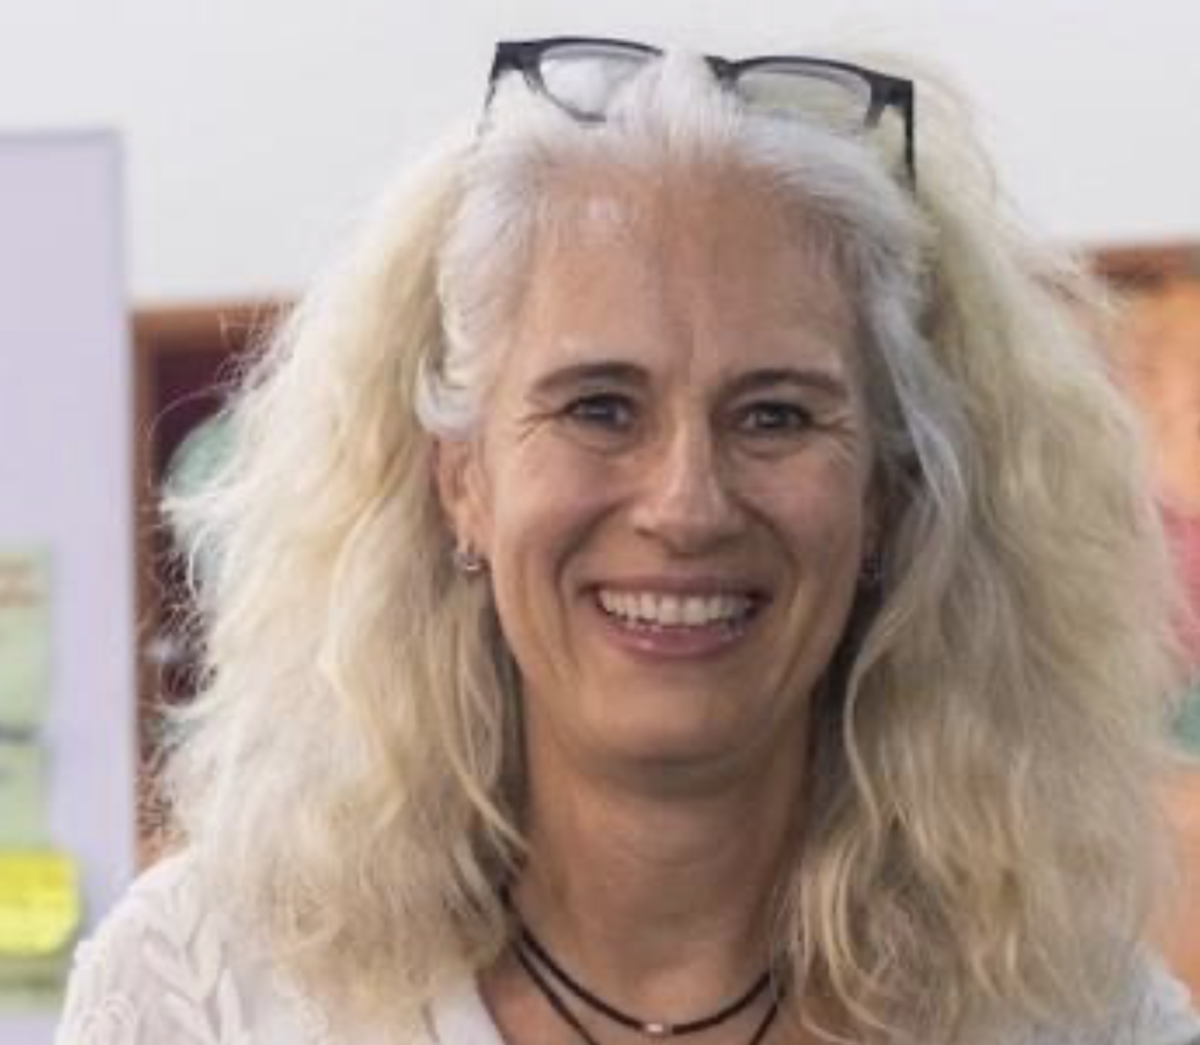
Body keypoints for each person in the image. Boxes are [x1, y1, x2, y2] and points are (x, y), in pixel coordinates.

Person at [57, 37, 1200, 1045]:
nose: (687, 504)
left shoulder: (1078, 1018)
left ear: (887, 500)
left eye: (775, 415)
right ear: (462, 480)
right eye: (599, 406)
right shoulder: (205, 995)